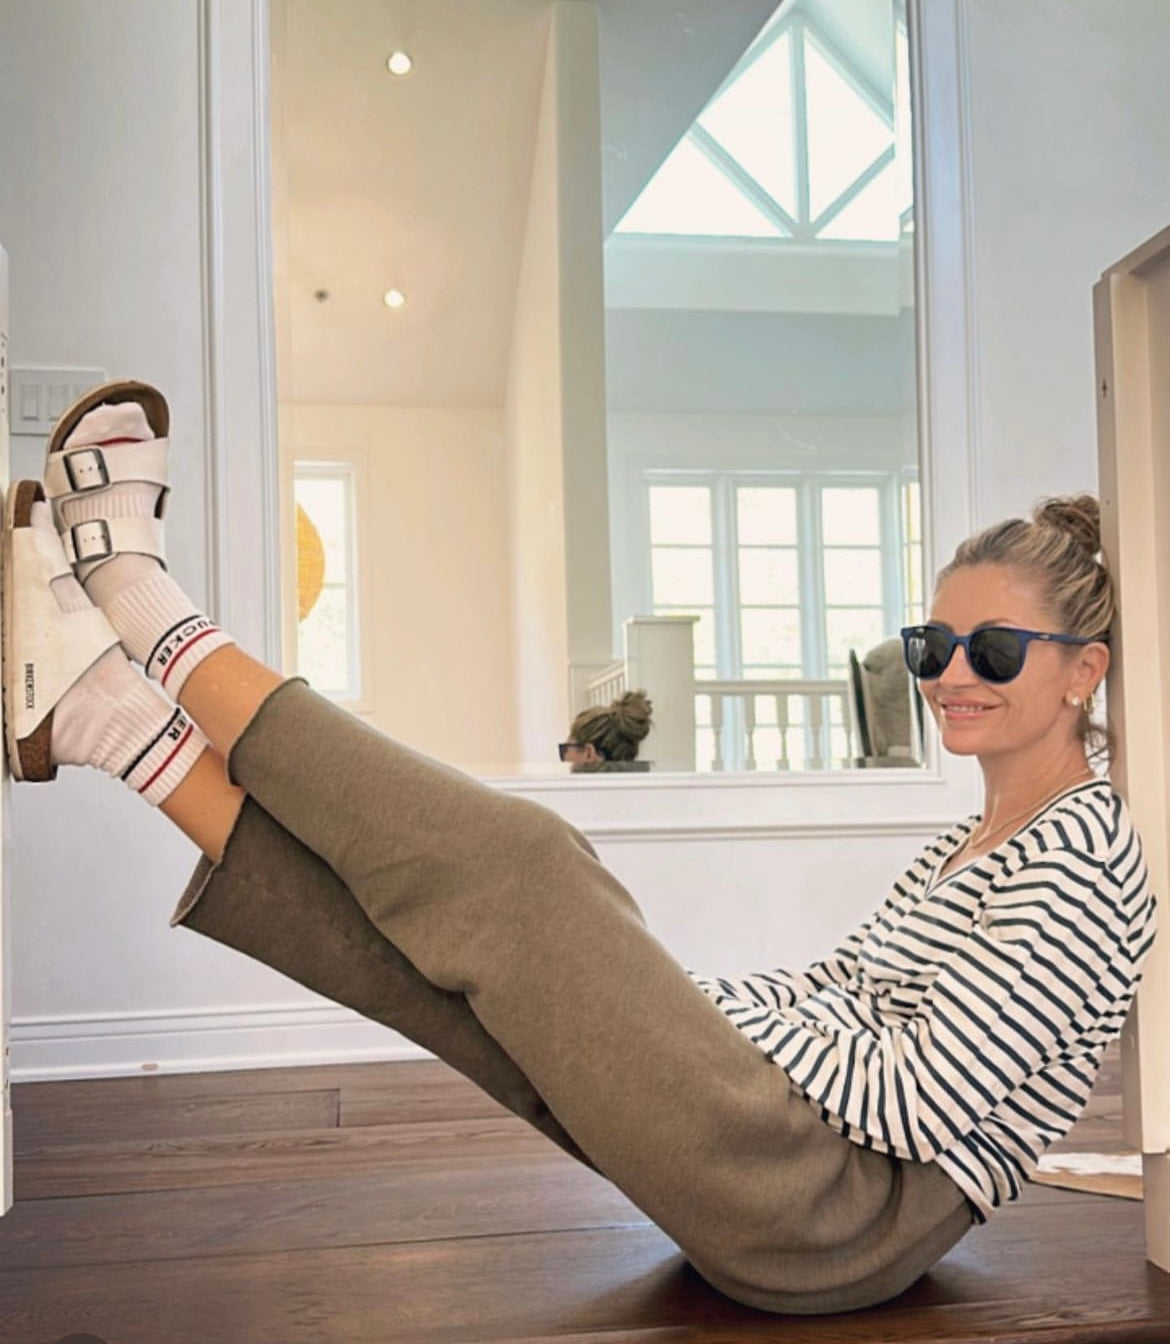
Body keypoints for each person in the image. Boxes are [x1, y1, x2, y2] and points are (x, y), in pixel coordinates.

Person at [6, 381, 1156, 1317]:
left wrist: (703, 1021)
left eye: (994, 648)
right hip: (800, 1183)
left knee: (528, 868)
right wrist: (683, 1002)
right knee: (444, 977)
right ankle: (109, 719)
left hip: (837, 1215)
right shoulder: (974, 841)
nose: (954, 672)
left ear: (1083, 670)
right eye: (935, 641)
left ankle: (140, 602)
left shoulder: (1087, 857)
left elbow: (911, 1101)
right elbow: (842, 998)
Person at [559, 690, 652, 772]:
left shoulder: (577, 791)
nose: (564, 758)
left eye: (564, 750)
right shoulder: (652, 786)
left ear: (588, 754)